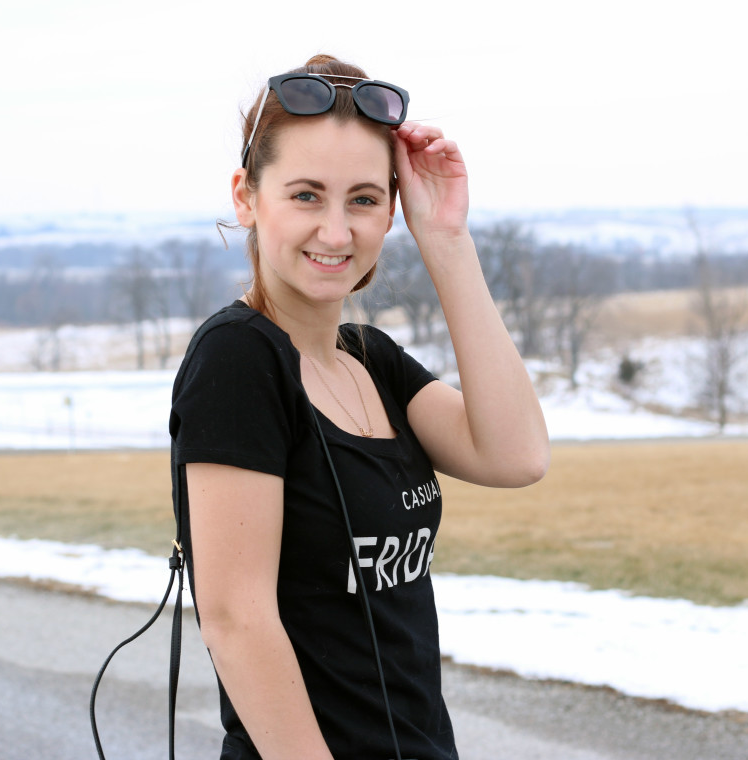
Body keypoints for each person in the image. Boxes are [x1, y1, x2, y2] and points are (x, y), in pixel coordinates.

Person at [169, 54, 549, 760]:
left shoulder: (370, 359)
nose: (338, 232)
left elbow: (516, 455)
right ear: (247, 198)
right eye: (307, 195)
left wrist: (447, 240)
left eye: (365, 199)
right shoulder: (239, 360)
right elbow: (236, 619)